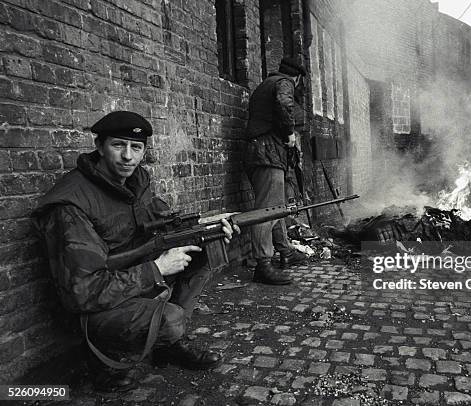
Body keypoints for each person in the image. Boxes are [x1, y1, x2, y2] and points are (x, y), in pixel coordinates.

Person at [32, 111, 239, 390]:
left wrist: (208, 228)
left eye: (136, 147)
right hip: (92, 309)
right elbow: (82, 292)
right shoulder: (71, 205)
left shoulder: (135, 182)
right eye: (118, 145)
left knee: (203, 251)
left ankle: (168, 346)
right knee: (172, 319)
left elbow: (164, 220)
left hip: (130, 280)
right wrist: (157, 269)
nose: (128, 156)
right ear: (99, 146)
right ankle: (102, 364)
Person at [245, 57, 309, 285]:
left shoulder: (267, 83)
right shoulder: (284, 83)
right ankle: (262, 265)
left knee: (276, 207)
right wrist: (290, 133)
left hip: (265, 153)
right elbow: (284, 104)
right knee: (266, 211)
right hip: (267, 153)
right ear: (298, 78)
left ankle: (285, 251)